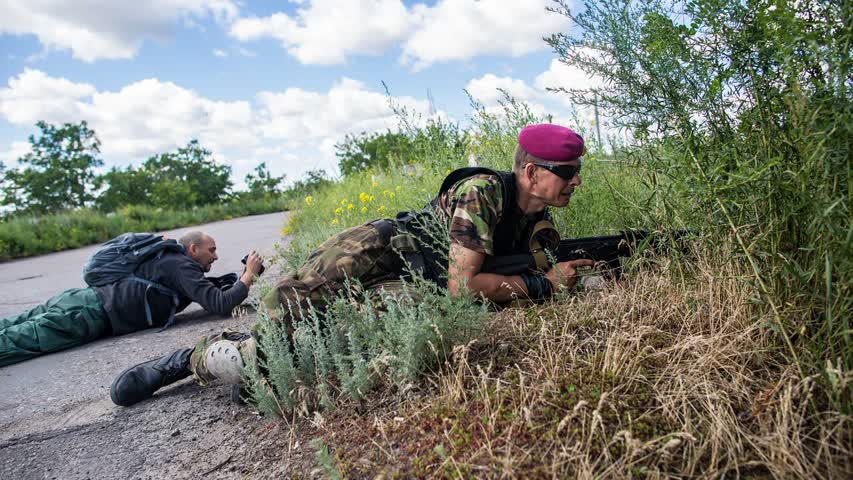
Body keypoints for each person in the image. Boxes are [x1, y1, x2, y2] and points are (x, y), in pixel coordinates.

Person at [110, 124, 595, 407]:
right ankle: (189, 359)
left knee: (330, 344)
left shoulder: (540, 227)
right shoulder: (485, 192)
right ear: (531, 172)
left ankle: (257, 365)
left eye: (577, 172)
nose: (576, 182)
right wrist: (543, 284)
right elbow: (463, 287)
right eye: (568, 173)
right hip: (380, 247)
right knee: (284, 311)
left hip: (416, 284)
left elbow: (481, 288)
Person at [0, 231, 264, 367]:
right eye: (212, 250)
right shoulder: (181, 266)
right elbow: (219, 303)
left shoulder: (170, 260)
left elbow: (211, 293)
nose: (216, 256)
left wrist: (242, 277)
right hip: (86, 314)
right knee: (18, 342)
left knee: (14, 325)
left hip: (79, 301)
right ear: (193, 249)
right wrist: (249, 276)